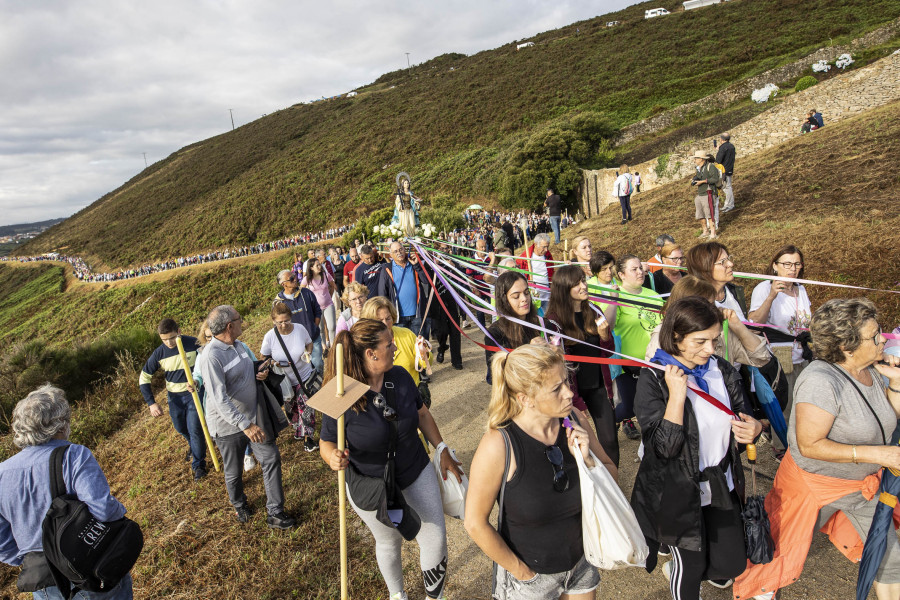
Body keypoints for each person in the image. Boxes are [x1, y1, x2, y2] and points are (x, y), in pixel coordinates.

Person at [734, 298, 900, 600]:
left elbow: (889, 417)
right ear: (847, 347)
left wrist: (897, 383)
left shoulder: (872, 369)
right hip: (812, 486)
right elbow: (810, 445)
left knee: (889, 558)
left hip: (860, 487)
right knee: (779, 553)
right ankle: (750, 587)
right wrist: (878, 454)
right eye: (875, 335)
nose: (884, 339)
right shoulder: (820, 381)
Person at [319, 319, 463, 600]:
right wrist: (331, 457)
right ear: (371, 354)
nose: (396, 345)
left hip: (415, 469)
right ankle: (397, 595)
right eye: (389, 344)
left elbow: (421, 413)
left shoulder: (400, 376)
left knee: (434, 537)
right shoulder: (340, 393)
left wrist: (441, 448)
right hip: (375, 488)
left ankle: (435, 596)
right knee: (389, 541)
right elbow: (326, 441)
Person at [631, 297, 762, 600]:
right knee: (690, 566)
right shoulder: (653, 378)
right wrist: (677, 396)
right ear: (676, 336)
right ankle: (681, 575)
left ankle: (685, 566)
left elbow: (745, 412)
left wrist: (753, 428)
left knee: (730, 562)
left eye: (715, 340)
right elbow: (663, 448)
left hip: (721, 483)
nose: (710, 349)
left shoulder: (721, 369)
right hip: (677, 491)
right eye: (700, 341)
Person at [465, 344, 616, 600]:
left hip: (581, 563)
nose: (569, 393)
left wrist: (589, 460)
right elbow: (474, 523)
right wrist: (522, 572)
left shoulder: (576, 419)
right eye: (556, 389)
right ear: (525, 398)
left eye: (566, 381)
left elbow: (611, 473)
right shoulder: (499, 445)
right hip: (530, 580)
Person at [0, 385, 134, 599]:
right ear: (60, 423)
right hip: (88, 572)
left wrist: (25, 558)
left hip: (43, 581)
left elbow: (2, 540)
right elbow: (104, 510)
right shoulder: (73, 455)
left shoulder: (2, 473)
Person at [200, 305, 296, 528]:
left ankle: (275, 512)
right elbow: (218, 398)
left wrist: (258, 371)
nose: (242, 321)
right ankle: (239, 504)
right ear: (229, 326)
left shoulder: (239, 346)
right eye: (239, 319)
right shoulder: (211, 357)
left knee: (271, 459)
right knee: (233, 472)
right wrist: (245, 425)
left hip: (252, 419)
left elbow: (245, 371)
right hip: (228, 428)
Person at [547, 265, 618, 466]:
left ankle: (614, 488)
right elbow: (560, 363)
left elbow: (609, 351)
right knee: (577, 442)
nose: (583, 286)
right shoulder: (554, 322)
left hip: (599, 387)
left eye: (583, 281)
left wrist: (604, 336)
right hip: (571, 391)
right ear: (564, 288)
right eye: (577, 283)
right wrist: (575, 400)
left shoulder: (594, 311)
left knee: (610, 441)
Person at [644, 275, 770, 369]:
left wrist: (738, 327)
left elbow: (761, 358)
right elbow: (654, 380)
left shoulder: (719, 330)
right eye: (703, 306)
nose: (711, 310)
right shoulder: (664, 335)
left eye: (712, 304)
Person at [139, 318, 208, 481]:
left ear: (179, 332)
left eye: (171, 337)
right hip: (174, 398)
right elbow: (144, 377)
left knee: (195, 429)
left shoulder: (194, 344)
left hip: (194, 393)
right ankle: (193, 446)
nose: (169, 342)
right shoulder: (159, 353)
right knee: (180, 428)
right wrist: (151, 403)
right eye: (164, 340)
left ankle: (199, 465)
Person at [605, 255, 664, 439]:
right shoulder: (616, 295)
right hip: (630, 366)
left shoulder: (653, 295)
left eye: (641, 268)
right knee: (628, 407)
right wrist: (613, 301)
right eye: (634, 269)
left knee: (654, 410)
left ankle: (654, 448)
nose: (640, 272)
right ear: (621, 274)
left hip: (656, 362)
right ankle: (608, 422)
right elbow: (609, 326)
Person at [193, 318, 259, 472]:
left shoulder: (239, 346)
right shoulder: (204, 356)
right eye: (208, 337)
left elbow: (254, 362)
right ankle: (244, 455)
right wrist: (195, 382)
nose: (211, 340)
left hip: (243, 399)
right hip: (223, 403)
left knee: (247, 421)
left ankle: (249, 452)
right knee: (233, 429)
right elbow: (198, 374)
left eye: (213, 336)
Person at [749, 245, 812, 401]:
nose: (793, 269)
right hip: (780, 361)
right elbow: (755, 323)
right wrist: (771, 296)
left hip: (803, 358)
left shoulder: (801, 290)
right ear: (775, 266)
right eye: (787, 264)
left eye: (797, 264)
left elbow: (808, 321)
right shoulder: (764, 288)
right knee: (786, 409)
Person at [260, 301, 316, 451]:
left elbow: (309, 343)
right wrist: (273, 363)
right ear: (273, 321)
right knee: (291, 409)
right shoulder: (270, 337)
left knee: (307, 407)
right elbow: (263, 357)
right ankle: (298, 428)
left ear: (291, 318)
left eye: (286, 321)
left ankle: (308, 438)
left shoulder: (299, 329)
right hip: (284, 380)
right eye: (279, 322)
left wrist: (308, 353)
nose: (284, 325)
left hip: (304, 376)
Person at [484, 271, 543, 384]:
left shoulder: (541, 324)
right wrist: (527, 354)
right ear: (504, 300)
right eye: (516, 296)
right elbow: (494, 377)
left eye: (526, 293)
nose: (524, 298)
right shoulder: (495, 333)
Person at [361, 296, 431, 386]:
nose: (385, 323)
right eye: (379, 320)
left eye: (388, 318)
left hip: (411, 393)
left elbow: (425, 364)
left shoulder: (406, 334)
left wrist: (424, 352)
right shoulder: (365, 344)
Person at [376, 241, 430, 336]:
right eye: (395, 251)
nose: (399, 253)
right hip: (398, 318)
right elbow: (382, 294)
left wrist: (417, 266)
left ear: (405, 250)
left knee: (419, 346)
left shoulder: (413, 264)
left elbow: (426, 281)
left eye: (401, 249)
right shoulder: (387, 269)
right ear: (391, 255)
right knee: (403, 348)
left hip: (417, 315)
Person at [275, 269, 324, 375]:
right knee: (304, 371)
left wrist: (314, 327)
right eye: (291, 278)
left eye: (295, 276)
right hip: (296, 344)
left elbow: (317, 311)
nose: (296, 279)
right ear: (284, 284)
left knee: (318, 364)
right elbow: (278, 324)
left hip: (313, 338)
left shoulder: (306, 293)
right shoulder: (278, 302)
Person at [686, 241, 746, 320]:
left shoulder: (734, 291)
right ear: (705, 267)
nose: (731, 264)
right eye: (723, 262)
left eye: (728, 259)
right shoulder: (699, 306)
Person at [430, 242, 463, 371]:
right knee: (442, 331)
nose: (444, 251)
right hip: (438, 305)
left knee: (455, 331)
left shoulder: (452, 264)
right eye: (442, 249)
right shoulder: (431, 265)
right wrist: (436, 266)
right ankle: (442, 348)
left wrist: (454, 267)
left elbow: (462, 276)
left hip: (452, 303)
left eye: (446, 249)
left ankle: (457, 360)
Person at [301, 258, 336, 353]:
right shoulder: (307, 279)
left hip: (328, 304)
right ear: (311, 267)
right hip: (316, 309)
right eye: (317, 265)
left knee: (332, 326)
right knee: (320, 329)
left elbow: (332, 285)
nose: (320, 266)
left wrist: (330, 295)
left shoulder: (325, 274)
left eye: (319, 264)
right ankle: (324, 347)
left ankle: (333, 346)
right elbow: (301, 291)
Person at [515, 233, 554, 315]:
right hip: (533, 298)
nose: (546, 249)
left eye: (547, 246)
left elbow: (551, 272)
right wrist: (527, 281)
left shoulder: (547, 255)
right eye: (544, 247)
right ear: (536, 245)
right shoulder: (525, 257)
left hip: (547, 296)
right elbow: (519, 274)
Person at [690, 150, 720, 240]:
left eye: (696, 158)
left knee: (709, 214)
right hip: (701, 193)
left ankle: (713, 233)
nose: (694, 160)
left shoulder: (711, 167)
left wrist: (703, 181)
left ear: (701, 159)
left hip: (709, 192)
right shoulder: (699, 168)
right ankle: (705, 231)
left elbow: (715, 179)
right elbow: (699, 177)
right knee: (700, 214)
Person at [715, 133, 736, 213]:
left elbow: (718, 160)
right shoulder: (731, 146)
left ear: (722, 139)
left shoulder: (723, 148)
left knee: (727, 188)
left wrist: (719, 150)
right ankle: (729, 204)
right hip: (730, 169)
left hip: (724, 170)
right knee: (728, 187)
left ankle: (729, 205)